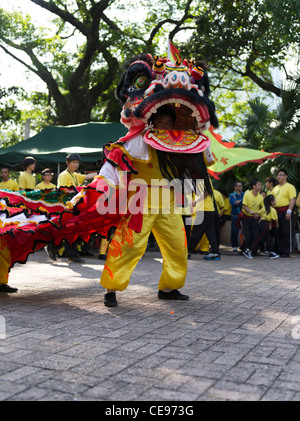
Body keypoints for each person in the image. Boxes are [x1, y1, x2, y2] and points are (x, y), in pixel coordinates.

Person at [46, 153, 97, 263]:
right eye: (73, 162)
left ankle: (67, 253)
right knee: (66, 231)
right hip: (65, 207)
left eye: (77, 162)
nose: (76, 164)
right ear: (67, 163)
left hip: (73, 207)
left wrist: (102, 174)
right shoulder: (64, 175)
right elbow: (62, 192)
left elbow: (87, 177)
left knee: (71, 231)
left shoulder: (74, 175)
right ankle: (54, 248)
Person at [188, 179, 221, 261]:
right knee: (210, 232)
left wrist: (195, 202)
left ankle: (188, 251)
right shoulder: (203, 179)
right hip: (208, 210)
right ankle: (215, 252)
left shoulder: (202, 179)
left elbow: (205, 193)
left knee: (196, 232)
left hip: (204, 210)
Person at [272, 169, 296, 257]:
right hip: (276, 212)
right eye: (278, 175)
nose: (279, 176)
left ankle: (286, 251)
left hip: (286, 211)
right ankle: (279, 250)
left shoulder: (290, 186)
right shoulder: (275, 188)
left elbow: (292, 199)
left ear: (286, 176)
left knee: (287, 232)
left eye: (281, 175)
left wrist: (289, 212)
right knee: (278, 232)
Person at [240, 178, 264, 259]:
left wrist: (260, 215)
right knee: (247, 236)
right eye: (259, 185)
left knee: (255, 235)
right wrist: (251, 212)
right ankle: (245, 250)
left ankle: (250, 250)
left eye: (260, 185)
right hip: (246, 218)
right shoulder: (247, 194)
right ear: (254, 186)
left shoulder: (260, 197)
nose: (260, 186)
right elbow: (244, 206)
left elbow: (262, 207)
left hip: (255, 219)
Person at [258, 195, 279, 259]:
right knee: (266, 238)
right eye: (275, 200)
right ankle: (250, 249)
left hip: (263, 223)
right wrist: (277, 225)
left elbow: (259, 213)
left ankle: (270, 252)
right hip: (265, 223)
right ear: (272, 202)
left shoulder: (265, 208)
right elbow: (276, 220)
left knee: (266, 238)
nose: (276, 201)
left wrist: (251, 212)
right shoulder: (272, 210)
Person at [229, 180, 244, 251]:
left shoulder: (244, 194)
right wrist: (242, 202)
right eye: (239, 186)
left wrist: (239, 202)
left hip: (244, 215)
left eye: (241, 186)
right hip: (235, 216)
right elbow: (234, 203)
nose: (241, 187)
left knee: (245, 231)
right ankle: (234, 246)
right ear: (235, 187)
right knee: (235, 231)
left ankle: (244, 246)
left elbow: (246, 202)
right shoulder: (232, 195)